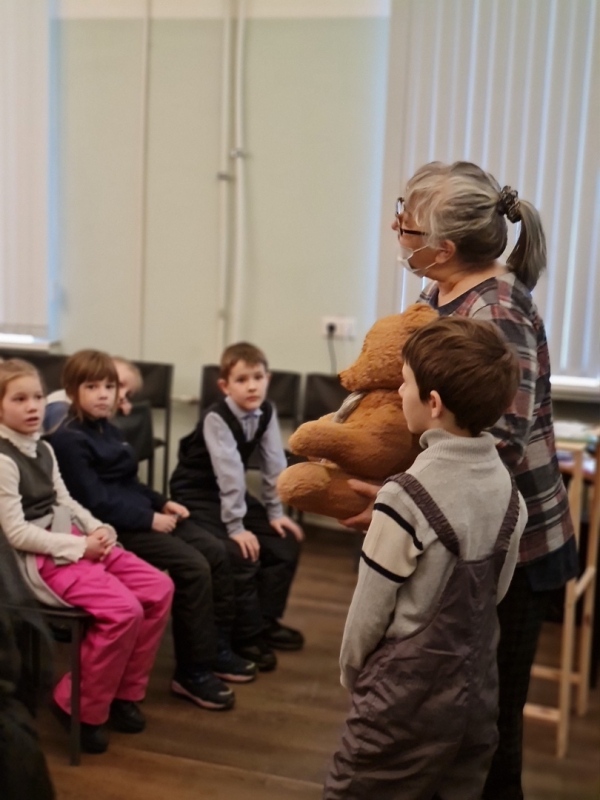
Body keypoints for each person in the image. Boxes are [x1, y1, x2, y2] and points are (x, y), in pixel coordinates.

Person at [346, 161, 577, 800]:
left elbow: (497, 441)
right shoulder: (438, 292)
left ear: (443, 248)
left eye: (407, 222)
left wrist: (404, 506)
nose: (396, 227)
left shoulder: (496, 310)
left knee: (489, 727)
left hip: (513, 550)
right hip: (463, 536)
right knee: (449, 716)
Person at [324, 316, 528, 800]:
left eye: (405, 381)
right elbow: (494, 593)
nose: (399, 391)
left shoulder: (403, 496)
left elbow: (369, 613)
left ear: (432, 403)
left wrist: (355, 676)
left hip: (401, 701)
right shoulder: (510, 494)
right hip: (476, 694)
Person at [46, 350, 256, 714]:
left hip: (141, 515)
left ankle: (216, 651)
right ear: (72, 391)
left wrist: (162, 503)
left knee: (217, 551)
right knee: (193, 567)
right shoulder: (68, 439)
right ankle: (192, 672)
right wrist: (149, 519)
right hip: (111, 529)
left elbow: (129, 483)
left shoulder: (109, 429)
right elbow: (95, 501)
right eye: (92, 387)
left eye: (109, 386)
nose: (103, 394)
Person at [0, 359, 174, 754]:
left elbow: (66, 501)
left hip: (72, 537)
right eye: (19, 399)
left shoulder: (43, 446)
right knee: (124, 611)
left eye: (37, 397)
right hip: (40, 558)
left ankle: (122, 692)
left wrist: (99, 528)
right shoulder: (4, 460)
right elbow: (17, 534)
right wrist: (80, 547)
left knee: (159, 588)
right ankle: (76, 703)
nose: (33, 406)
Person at [170, 342, 304, 671]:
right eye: (242, 379)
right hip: (197, 493)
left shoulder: (266, 411)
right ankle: (245, 636)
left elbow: (274, 464)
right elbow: (229, 473)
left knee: (284, 543)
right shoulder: (217, 417)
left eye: (257, 377)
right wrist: (236, 528)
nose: (252, 386)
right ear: (225, 386)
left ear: (267, 378)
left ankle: (265, 621)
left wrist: (275, 514)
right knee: (241, 551)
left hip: (228, 494)